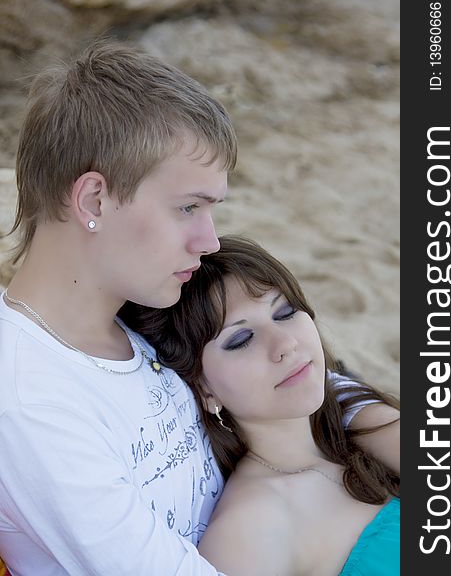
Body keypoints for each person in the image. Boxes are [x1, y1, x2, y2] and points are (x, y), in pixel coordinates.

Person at [0, 39, 396, 575]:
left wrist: (370, 418)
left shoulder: (133, 312)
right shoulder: (29, 398)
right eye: (188, 208)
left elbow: (282, 361)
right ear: (94, 200)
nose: (208, 241)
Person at [122, 235, 400, 576]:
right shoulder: (252, 524)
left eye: (285, 312)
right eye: (241, 340)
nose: (285, 343)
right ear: (205, 390)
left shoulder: (357, 430)